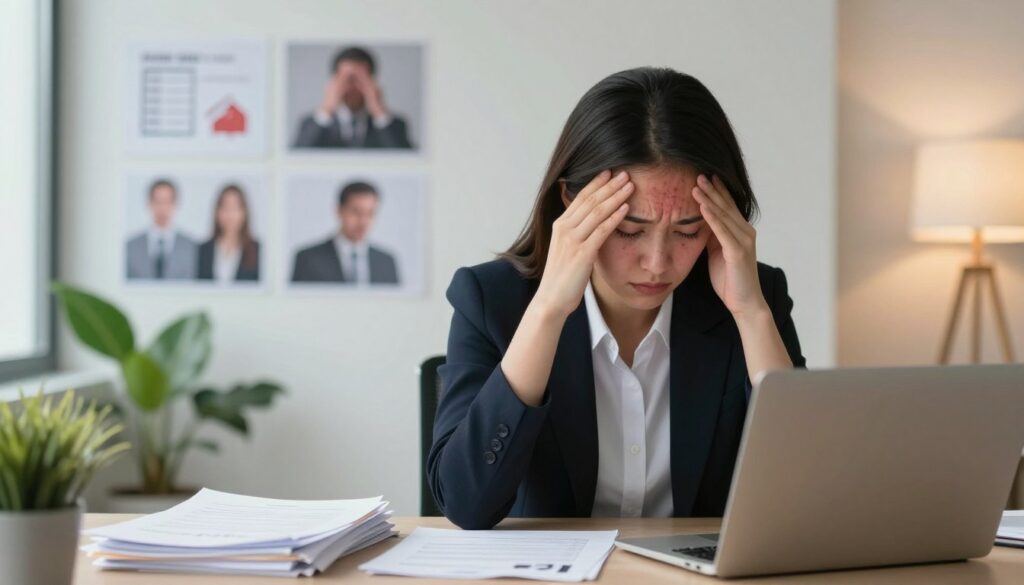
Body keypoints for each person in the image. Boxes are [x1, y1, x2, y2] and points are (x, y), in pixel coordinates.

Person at [427, 68, 806, 530]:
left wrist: (750, 314)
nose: (658, 263)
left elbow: (802, 498)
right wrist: (547, 311)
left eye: (688, 230)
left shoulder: (753, 298)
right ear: (572, 203)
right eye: (630, 230)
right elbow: (466, 504)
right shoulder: (491, 299)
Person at [293, 46, 413, 149]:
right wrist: (327, 108)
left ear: (372, 82)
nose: (353, 87)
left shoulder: (395, 124)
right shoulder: (311, 123)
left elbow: (409, 162)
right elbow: (296, 158)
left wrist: (379, 110)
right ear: (334, 81)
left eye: (361, 80)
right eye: (347, 79)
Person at [291, 180, 400, 284]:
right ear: (339, 210)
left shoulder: (387, 262)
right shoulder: (308, 260)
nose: (363, 221)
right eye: (356, 212)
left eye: (370, 213)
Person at [125, 179, 198, 280]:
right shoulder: (130, 247)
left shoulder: (192, 246)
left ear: (176, 204)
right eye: (158, 202)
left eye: (167, 202)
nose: (162, 208)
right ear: (149, 204)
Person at [197, 184, 261, 283]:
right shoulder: (203, 250)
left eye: (235, 208)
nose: (230, 214)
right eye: (225, 207)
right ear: (217, 212)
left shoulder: (257, 250)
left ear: (244, 213)